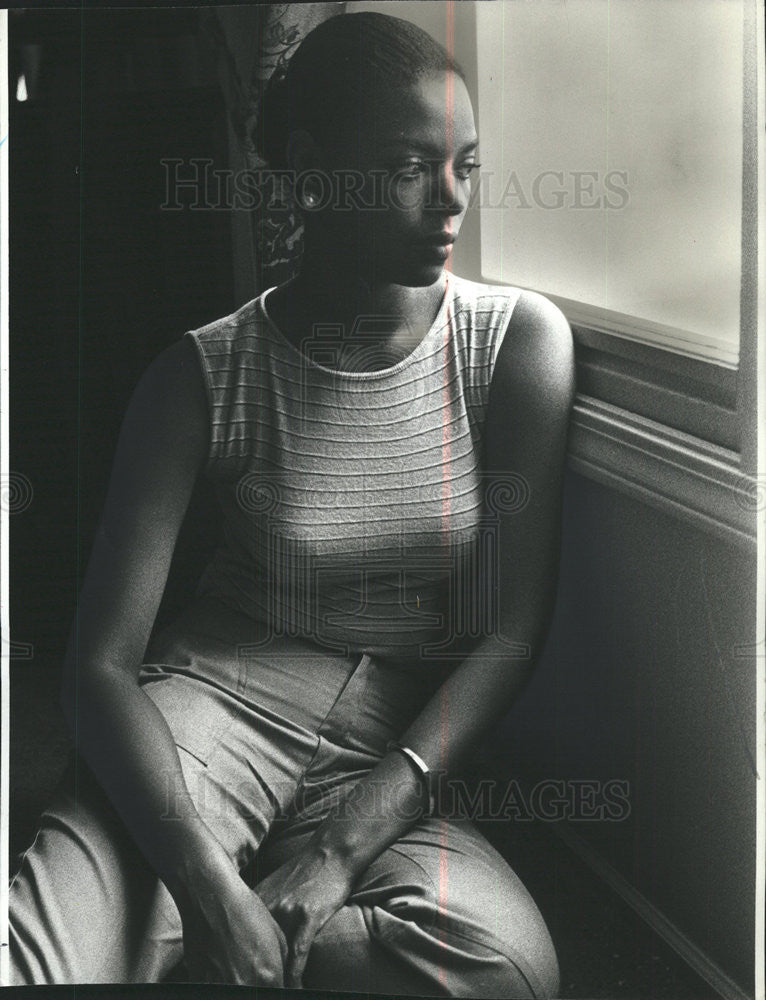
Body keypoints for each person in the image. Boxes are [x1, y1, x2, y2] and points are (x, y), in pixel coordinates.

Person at [7, 12, 575, 997]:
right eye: (408, 165)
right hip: (207, 717)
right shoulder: (200, 374)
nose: (450, 203)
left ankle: (207, 955)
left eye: (465, 166)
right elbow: (97, 665)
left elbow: (508, 636)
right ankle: (202, 921)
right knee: (34, 965)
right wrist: (194, 873)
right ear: (314, 169)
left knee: (508, 967)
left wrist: (345, 850)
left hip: (392, 754)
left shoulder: (514, 345)